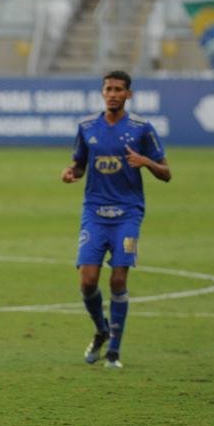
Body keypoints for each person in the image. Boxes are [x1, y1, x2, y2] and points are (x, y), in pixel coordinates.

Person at [61, 70, 171, 370]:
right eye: (108, 88)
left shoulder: (141, 129)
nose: (113, 93)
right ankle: (101, 329)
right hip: (94, 212)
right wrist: (71, 173)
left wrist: (145, 161)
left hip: (128, 213)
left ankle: (114, 353)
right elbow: (81, 164)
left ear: (128, 94)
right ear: (102, 92)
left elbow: (166, 173)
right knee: (87, 281)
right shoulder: (87, 127)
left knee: (119, 279)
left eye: (119, 89)